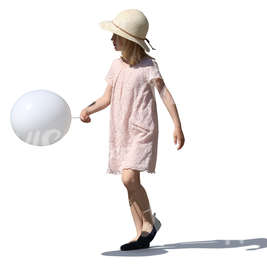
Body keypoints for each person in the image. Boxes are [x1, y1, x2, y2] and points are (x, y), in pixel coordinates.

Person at [80, 9, 185, 250]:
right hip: (121, 130)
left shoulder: (149, 66)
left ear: (128, 40)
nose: (112, 39)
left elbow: (165, 95)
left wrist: (177, 125)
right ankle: (140, 233)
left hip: (142, 128)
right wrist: (87, 109)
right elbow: (106, 98)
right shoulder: (116, 66)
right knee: (128, 182)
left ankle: (149, 223)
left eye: (116, 35)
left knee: (129, 177)